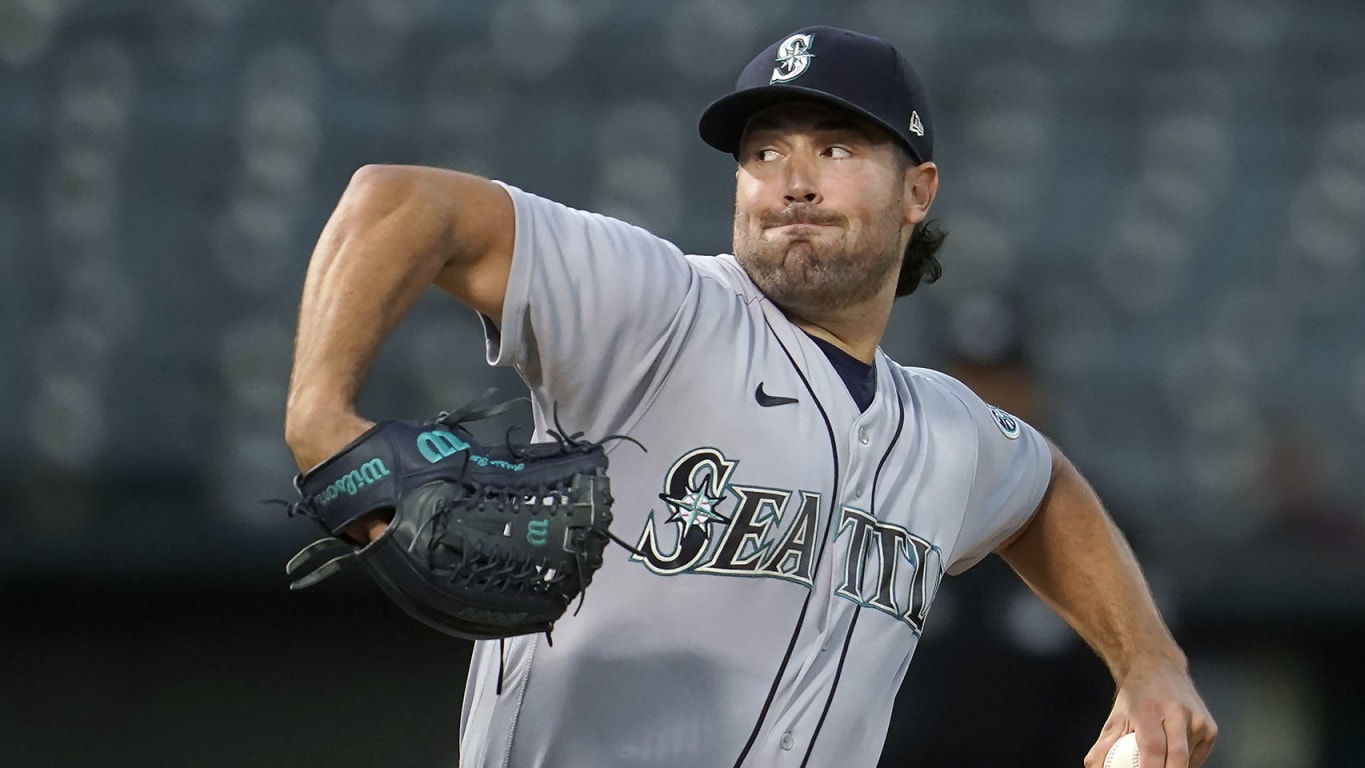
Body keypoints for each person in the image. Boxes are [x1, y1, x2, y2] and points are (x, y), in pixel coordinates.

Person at [283, 25, 1217, 768]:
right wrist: (322, 420)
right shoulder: (660, 306)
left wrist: (1149, 662)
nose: (793, 182)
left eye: (838, 147)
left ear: (918, 189)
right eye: (764, 152)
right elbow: (400, 202)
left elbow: (1044, 489)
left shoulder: (947, 430)